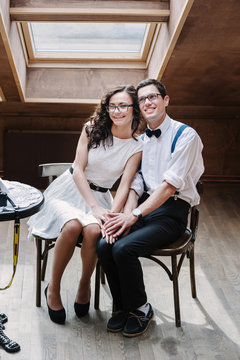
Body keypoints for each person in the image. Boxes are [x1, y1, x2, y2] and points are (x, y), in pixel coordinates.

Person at [96, 78, 204, 337]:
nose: (148, 102)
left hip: (172, 212)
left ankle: (141, 309)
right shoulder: (142, 140)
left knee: (124, 248)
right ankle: (122, 307)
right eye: (142, 99)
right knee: (104, 244)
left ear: (165, 100)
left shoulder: (185, 135)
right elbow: (136, 182)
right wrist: (124, 215)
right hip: (144, 209)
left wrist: (133, 216)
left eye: (153, 97)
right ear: (138, 107)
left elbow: (168, 187)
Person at [28, 85, 143, 324]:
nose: (117, 111)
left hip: (102, 198)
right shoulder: (92, 129)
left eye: (123, 105)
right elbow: (78, 169)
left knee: (92, 231)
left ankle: (84, 285)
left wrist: (111, 213)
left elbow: (124, 185)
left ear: (135, 109)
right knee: (71, 226)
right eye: (112, 106)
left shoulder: (137, 145)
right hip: (67, 191)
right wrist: (94, 208)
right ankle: (54, 289)